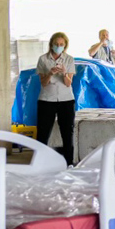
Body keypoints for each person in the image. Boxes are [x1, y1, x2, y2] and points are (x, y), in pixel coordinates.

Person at [37, 32, 76, 166]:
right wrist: (50, 73)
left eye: (61, 44)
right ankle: (40, 162)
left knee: (67, 131)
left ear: (65, 46)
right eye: (56, 44)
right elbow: (43, 82)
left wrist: (64, 72)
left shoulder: (69, 60)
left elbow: (68, 82)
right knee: (43, 132)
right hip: (47, 99)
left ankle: (69, 162)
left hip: (66, 99)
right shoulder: (43, 59)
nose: (58, 46)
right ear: (51, 44)